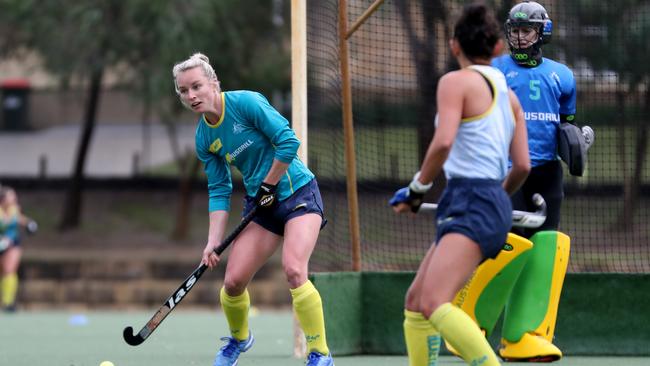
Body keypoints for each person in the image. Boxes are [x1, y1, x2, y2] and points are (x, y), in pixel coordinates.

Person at [445, 2, 594, 362]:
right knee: (503, 243)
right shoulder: (494, 70)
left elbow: (567, 125)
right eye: (514, 30)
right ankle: (469, 326)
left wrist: (577, 142)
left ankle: (525, 336)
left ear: (542, 33)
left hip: (546, 172)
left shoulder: (563, 76)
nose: (519, 36)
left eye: (526, 30)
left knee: (546, 246)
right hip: (506, 170)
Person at [389, 3, 530, 366]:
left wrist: (418, 189)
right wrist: (496, 200)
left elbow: (443, 142)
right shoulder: (510, 98)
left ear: (454, 46)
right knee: (416, 303)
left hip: (471, 200)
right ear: (498, 47)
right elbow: (524, 166)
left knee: (435, 302)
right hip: (486, 200)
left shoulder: (454, 82)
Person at [172, 53, 334, 366]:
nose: (191, 95)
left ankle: (320, 354)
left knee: (294, 269)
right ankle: (239, 339)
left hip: (297, 192)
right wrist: (213, 242)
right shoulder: (204, 137)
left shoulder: (246, 103)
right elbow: (219, 189)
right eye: (183, 90)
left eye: (196, 86)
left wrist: (268, 185)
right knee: (232, 282)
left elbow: (288, 142)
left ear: (214, 83)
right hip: (262, 206)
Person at [0, 186, 38, 312]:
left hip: (12, 243)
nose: (14, 198)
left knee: (9, 270)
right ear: (3, 199)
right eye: (11, 196)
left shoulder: (14, 209)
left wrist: (29, 224)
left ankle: (8, 302)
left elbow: (21, 219)